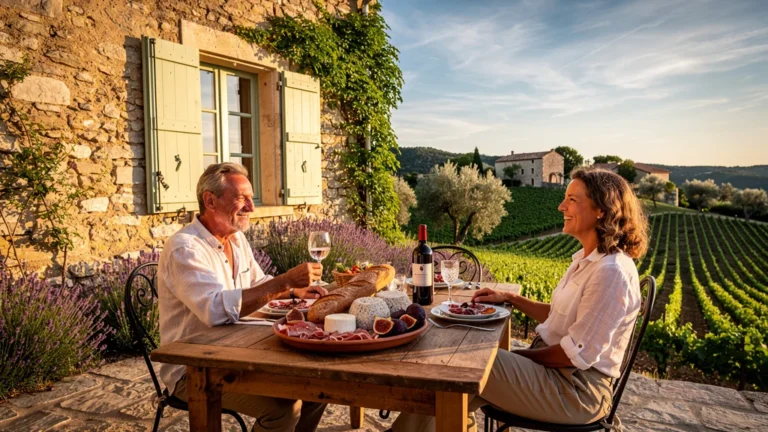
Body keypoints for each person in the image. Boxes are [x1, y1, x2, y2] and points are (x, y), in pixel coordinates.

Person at [393, 167, 649, 431]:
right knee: (460, 378)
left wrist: (520, 356)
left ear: (602, 210)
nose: (561, 206)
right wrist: (510, 298)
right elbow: (559, 314)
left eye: (572, 200)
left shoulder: (611, 272)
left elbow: (573, 356)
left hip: (576, 391)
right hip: (559, 375)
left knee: (465, 364)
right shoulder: (588, 260)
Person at [157, 162, 328, 432]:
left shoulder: (235, 238)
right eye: (241, 199)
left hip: (236, 351)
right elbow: (214, 310)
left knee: (320, 387)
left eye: (251, 198)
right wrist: (285, 281)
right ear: (210, 201)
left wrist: (294, 291)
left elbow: (258, 284)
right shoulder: (185, 248)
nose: (252, 207)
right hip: (195, 368)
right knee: (283, 411)